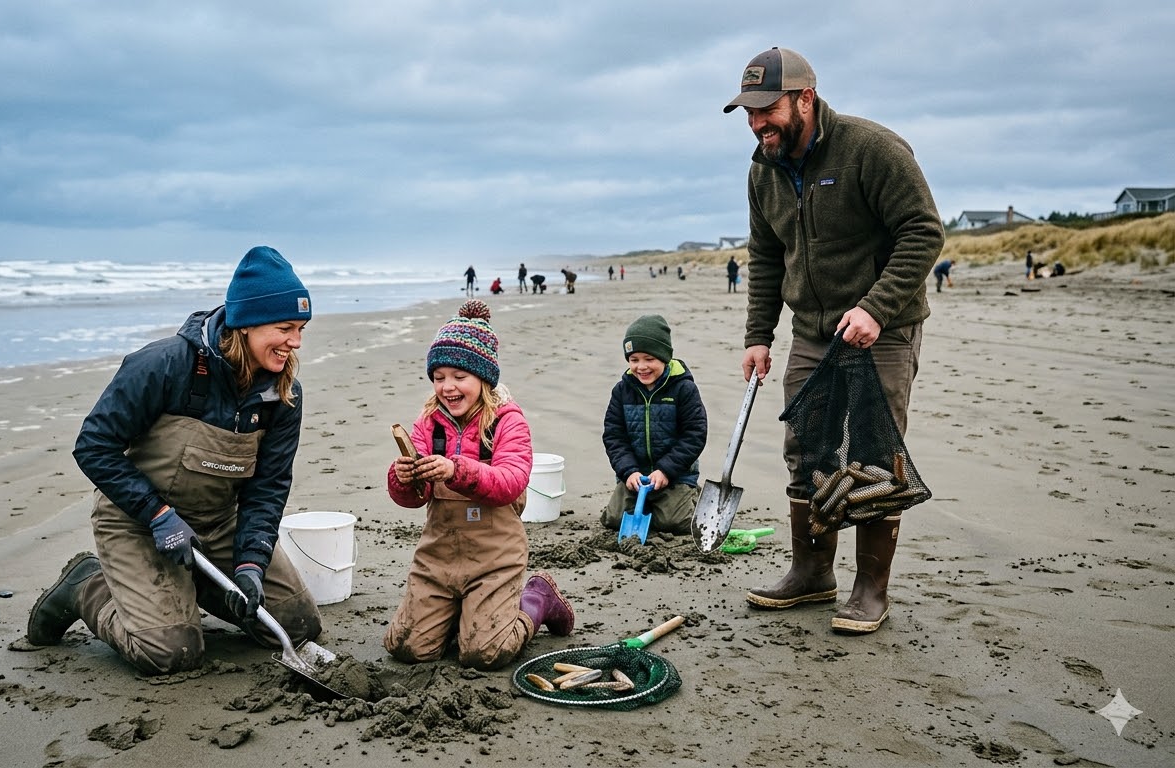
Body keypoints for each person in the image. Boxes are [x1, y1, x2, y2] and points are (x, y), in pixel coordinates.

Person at [19, 246, 321, 674]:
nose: (296, 342)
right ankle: (86, 587)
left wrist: (251, 562)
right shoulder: (164, 365)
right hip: (140, 522)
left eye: (302, 328)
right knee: (172, 653)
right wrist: (157, 513)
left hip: (218, 522)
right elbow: (93, 445)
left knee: (297, 624)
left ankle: (185, 585)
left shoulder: (283, 396)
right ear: (246, 324)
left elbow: (268, 486)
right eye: (285, 327)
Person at [724, 47, 943, 634]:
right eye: (748, 112)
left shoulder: (872, 149)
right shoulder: (762, 169)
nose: (756, 123)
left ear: (805, 99)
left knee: (874, 458)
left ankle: (871, 590)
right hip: (812, 333)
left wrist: (876, 307)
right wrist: (757, 336)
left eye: (766, 109)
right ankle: (812, 573)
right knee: (808, 449)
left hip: (883, 330)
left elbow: (924, 232)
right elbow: (767, 256)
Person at [384, 300, 574, 670]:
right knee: (406, 647)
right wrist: (402, 477)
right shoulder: (428, 423)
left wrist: (456, 471)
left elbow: (511, 481)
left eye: (459, 376)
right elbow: (410, 498)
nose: (448, 387)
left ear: (483, 377)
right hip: (437, 556)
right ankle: (459, 613)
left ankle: (538, 599)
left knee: (484, 653)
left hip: (494, 558)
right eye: (439, 377)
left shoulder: (507, 422)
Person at [599, 315, 708, 536]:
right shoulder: (622, 391)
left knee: (676, 523)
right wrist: (628, 471)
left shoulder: (684, 389)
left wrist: (666, 470)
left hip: (675, 474)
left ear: (664, 357)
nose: (641, 367)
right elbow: (614, 436)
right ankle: (647, 501)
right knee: (613, 519)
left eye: (649, 359)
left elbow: (694, 435)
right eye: (634, 359)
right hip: (635, 475)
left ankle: (690, 495)